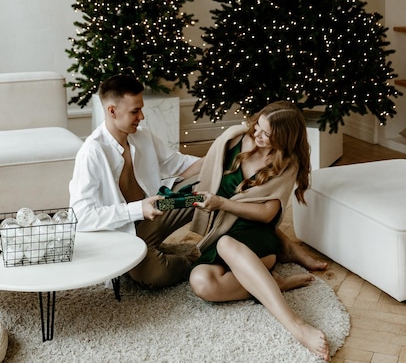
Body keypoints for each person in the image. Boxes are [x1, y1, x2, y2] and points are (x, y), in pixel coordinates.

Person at [189, 101, 330, 361]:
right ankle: (271, 282)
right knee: (201, 282)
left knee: (226, 245)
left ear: (285, 139)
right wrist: (170, 181)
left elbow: (267, 213)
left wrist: (222, 202)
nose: (257, 135)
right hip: (223, 226)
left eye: (266, 134)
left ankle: (295, 324)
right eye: (258, 127)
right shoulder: (234, 139)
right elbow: (206, 164)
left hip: (256, 232)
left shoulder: (288, 162)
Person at [69, 74, 204, 289]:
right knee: (154, 275)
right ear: (112, 111)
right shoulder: (92, 153)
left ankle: (231, 247)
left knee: (207, 186)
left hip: (160, 209)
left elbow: (181, 165)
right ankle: (197, 263)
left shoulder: (143, 136)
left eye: (141, 109)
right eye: (135, 111)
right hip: (123, 233)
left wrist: (220, 157)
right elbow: (81, 217)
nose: (141, 116)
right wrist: (136, 210)